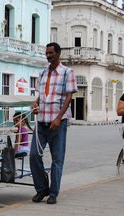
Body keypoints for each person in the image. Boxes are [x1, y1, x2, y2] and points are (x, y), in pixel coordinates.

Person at [29, 42, 77, 205]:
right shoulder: (42, 73)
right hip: (41, 121)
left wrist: (59, 117)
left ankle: (53, 193)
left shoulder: (67, 72)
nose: (48, 55)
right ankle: (42, 189)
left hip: (58, 122)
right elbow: (41, 96)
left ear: (58, 53)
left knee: (57, 158)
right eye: (47, 53)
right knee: (34, 155)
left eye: (51, 53)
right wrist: (35, 104)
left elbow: (69, 97)